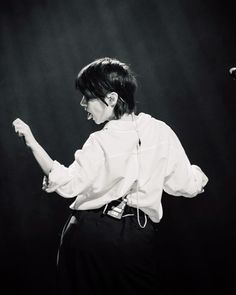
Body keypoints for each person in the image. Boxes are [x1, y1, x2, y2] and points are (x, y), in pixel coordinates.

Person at [12, 57, 208, 295]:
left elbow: (66, 183)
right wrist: (198, 177)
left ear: (112, 99)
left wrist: (32, 142)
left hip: (93, 234)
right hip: (131, 236)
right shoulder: (160, 132)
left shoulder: (102, 140)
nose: (83, 103)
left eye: (88, 96)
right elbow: (186, 184)